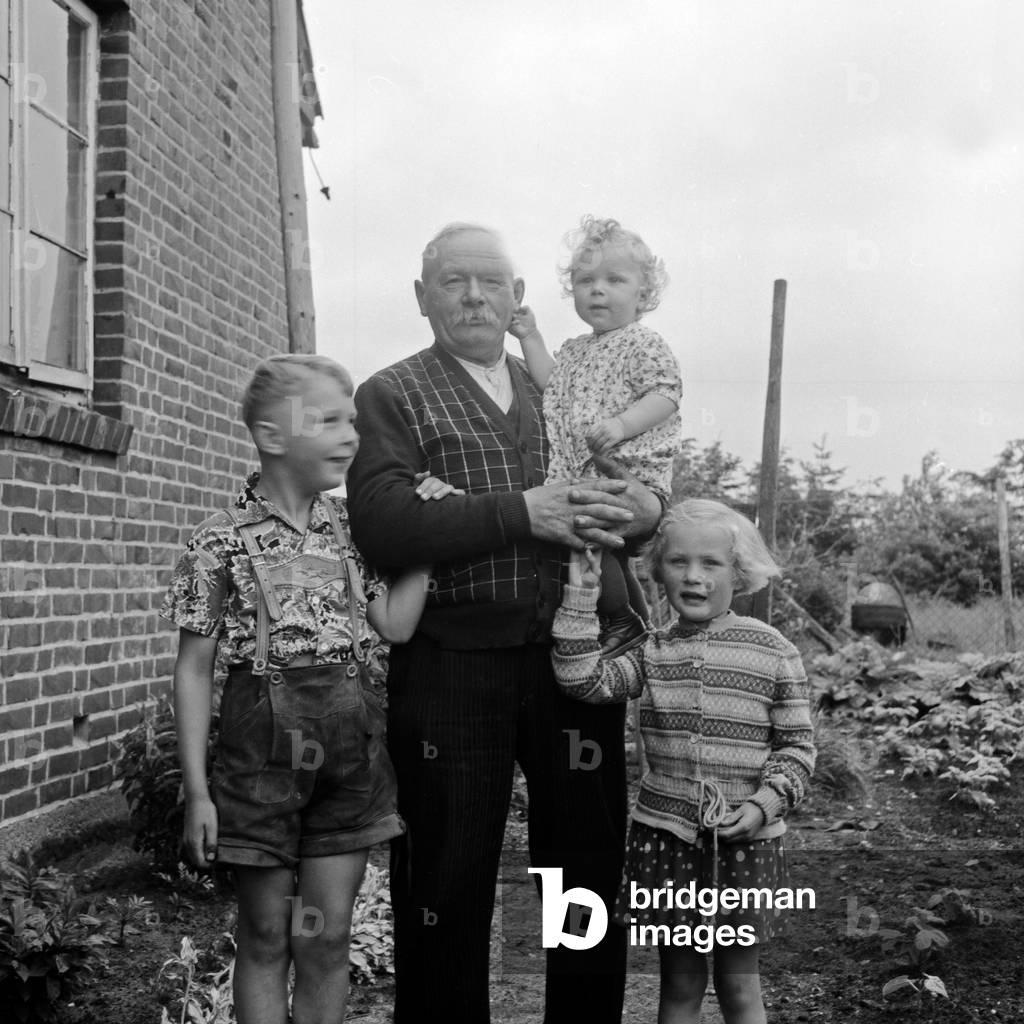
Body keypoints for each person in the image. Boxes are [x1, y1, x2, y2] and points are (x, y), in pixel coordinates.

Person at [345, 223, 663, 1024]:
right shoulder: (393, 393)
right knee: (445, 879)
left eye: (492, 282)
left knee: (582, 876)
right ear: (423, 298)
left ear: (519, 298)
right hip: (452, 666)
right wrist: (523, 512)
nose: (475, 296)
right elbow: (381, 524)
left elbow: (625, 499)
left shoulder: (563, 389)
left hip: (576, 666)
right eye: (454, 282)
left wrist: (645, 511)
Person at [162, 354, 432, 1024]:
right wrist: (197, 790)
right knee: (264, 937)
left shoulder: (353, 529)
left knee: (326, 937)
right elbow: (193, 670)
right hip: (260, 766)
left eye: (352, 420)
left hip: (349, 758)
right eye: (330, 419)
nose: (351, 434)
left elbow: (394, 624)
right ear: (273, 436)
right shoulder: (218, 541)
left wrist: (428, 542)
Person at [551, 499, 816, 1024]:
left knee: (740, 986)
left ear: (738, 573)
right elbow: (584, 679)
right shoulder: (652, 651)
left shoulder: (774, 650)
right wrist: (580, 597)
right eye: (679, 563)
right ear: (659, 571)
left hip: (745, 845)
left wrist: (764, 806)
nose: (693, 577)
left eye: (711, 564)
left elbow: (797, 748)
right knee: (679, 984)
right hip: (667, 842)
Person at [509, 216, 682, 655]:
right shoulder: (576, 349)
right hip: (581, 469)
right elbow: (552, 385)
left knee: (588, 537)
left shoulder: (642, 342)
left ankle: (621, 619)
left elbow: (665, 394)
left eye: (614, 279)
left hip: (628, 469)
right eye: (585, 280)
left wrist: (622, 424)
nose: (597, 289)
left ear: (643, 293)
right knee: (604, 548)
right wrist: (530, 336)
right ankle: (635, 621)